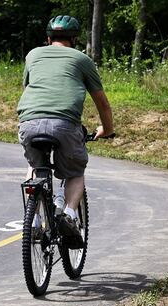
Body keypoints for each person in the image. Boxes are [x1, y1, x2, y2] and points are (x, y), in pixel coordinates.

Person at [17, 15, 115, 247]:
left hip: (29, 122)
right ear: (74, 39)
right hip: (64, 125)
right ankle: (70, 214)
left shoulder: (33, 55)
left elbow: (28, 86)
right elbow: (102, 102)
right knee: (74, 172)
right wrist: (107, 129)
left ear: (48, 38)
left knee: (34, 166)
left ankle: (35, 220)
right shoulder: (82, 60)